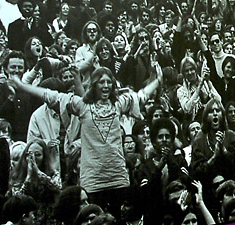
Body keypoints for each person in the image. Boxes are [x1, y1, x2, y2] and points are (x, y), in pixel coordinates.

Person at [9, 62, 161, 216]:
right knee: (95, 220)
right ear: (94, 84)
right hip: (93, 179)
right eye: (102, 82)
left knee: (118, 220)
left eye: (109, 82)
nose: (106, 85)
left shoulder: (118, 104)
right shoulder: (82, 106)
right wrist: (22, 86)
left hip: (117, 176)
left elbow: (141, 95)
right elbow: (48, 94)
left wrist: (157, 81)